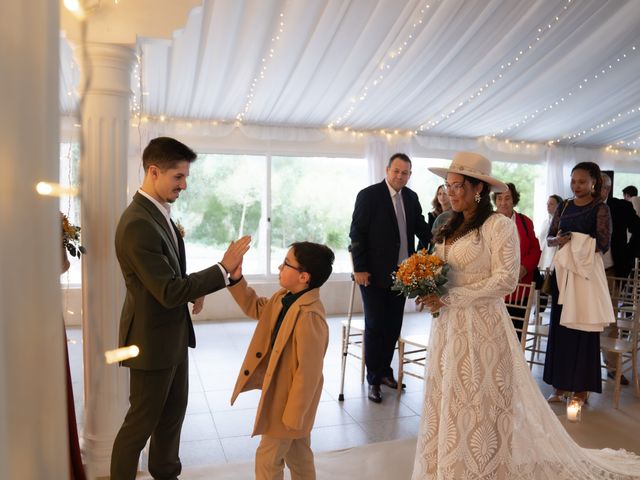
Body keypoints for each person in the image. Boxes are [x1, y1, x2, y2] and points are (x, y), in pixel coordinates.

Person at [412, 152, 640, 479]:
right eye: (447, 185)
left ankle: (482, 466)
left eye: (458, 185)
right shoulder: (449, 223)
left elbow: (505, 279)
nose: (451, 192)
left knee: (479, 401)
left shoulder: (498, 225)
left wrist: (452, 297)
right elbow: (443, 269)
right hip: (448, 326)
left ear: (478, 188)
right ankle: (449, 463)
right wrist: (425, 284)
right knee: (449, 394)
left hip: (483, 328)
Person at [110, 137, 251, 480]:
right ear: (154, 172)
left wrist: (196, 291)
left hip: (172, 336)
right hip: (150, 340)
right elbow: (167, 290)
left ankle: (166, 473)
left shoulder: (160, 214)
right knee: (139, 425)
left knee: (172, 416)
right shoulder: (137, 223)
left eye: (186, 177)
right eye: (178, 177)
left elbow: (170, 278)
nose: (184, 185)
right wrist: (221, 269)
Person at [228, 241, 334, 480]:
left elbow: (309, 372)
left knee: (267, 459)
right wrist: (236, 279)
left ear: (304, 277)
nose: (279, 267)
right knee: (299, 455)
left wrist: (294, 415)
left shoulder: (309, 316)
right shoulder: (283, 298)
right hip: (280, 394)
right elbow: (255, 307)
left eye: (286, 264)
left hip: (289, 403)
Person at [349, 153, 431, 403]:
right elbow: (356, 233)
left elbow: (421, 229)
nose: (400, 176)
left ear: (410, 174)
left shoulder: (411, 197)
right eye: (396, 171)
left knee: (393, 326)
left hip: (402, 275)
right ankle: (373, 379)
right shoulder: (369, 195)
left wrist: (428, 249)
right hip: (372, 274)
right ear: (387, 170)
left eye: (405, 172)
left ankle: (385, 371)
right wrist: (360, 268)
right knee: (375, 326)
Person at [543, 162, 611, 404]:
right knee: (560, 330)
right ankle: (559, 385)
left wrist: (575, 240)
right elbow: (550, 237)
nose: (577, 186)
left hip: (584, 276)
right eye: (573, 181)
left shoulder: (600, 208)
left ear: (594, 182)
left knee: (582, 329)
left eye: (582, 181)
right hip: (563, 275)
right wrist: (559, 239)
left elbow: (603, 243)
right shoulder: (565, 205)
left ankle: (582, 389)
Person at [600, 173, 640, 384]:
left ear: (607, 189)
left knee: (610, 320)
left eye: (601, 186)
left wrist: (626, 253)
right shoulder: (581, 206)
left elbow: (638, 230)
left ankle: (613, 367)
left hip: (610, 270)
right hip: (584, 271)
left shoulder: (621, 207)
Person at [493, 182, 541, 338]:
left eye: (507, 198)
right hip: (495, 290)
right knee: (495, 336)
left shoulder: (525, 222)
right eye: (499, 198)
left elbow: (535, 250)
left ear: (514, 200)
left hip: (520, 289)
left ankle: (515, 363)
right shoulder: (487, 222)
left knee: (516, 335)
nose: (503, 202)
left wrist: (524, 268)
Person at [537, 194, 563, 270]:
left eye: (551, 204)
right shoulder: (545, 222)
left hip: (556, 260)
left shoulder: (562, 222)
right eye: (547, 204)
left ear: (559, 206)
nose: (548, 206)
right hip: (544, 257)